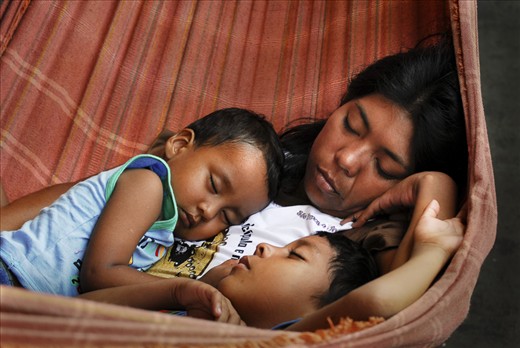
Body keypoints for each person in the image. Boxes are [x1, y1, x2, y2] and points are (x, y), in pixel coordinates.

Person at [0, 108, 284, 296]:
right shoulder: (147, 183)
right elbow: (99, 274)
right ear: (181, 144)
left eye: (228, 217)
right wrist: (188, 290)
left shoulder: (162, 237)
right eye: (213, 185)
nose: (207, 211)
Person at [78, 199, 464, 330]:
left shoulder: (281, 339)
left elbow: (375, 303)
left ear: (325, 316)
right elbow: (80, 312)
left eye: (294, 254)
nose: (265, 247)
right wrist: (179, 290)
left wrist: (434, 249)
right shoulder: (188, 307)